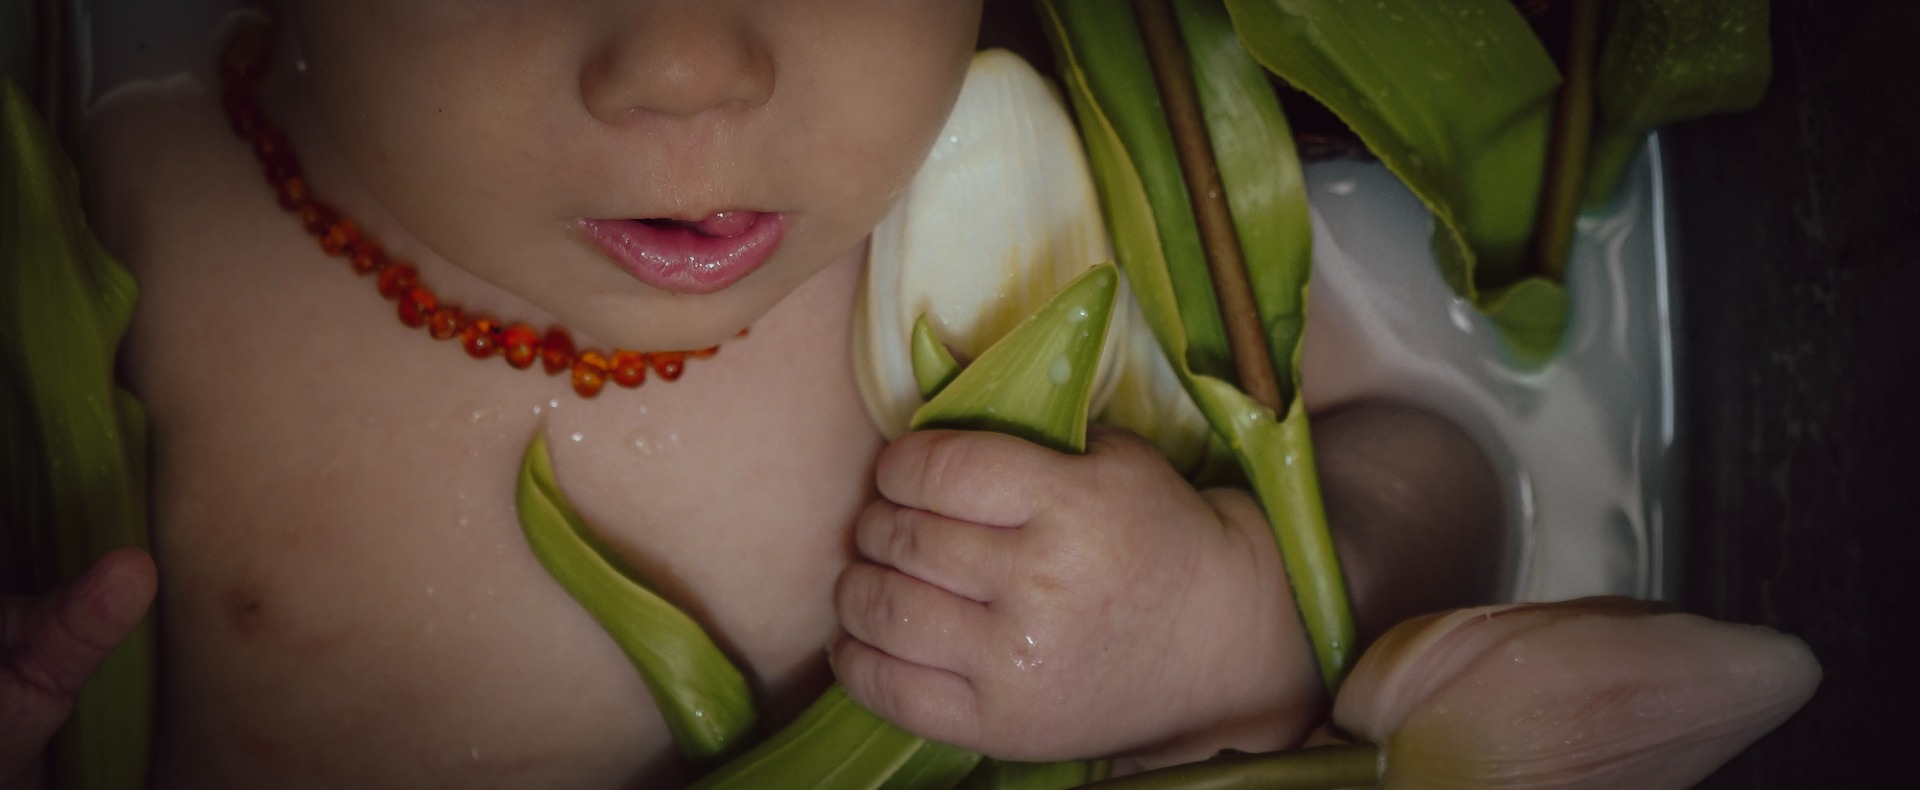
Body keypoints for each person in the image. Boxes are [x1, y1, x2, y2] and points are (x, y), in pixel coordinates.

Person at [1, 1, 1504, 786]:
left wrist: (1219, 617)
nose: (685, 66)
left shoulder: (1031, 187)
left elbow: (1432, 474)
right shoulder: (125, 207)